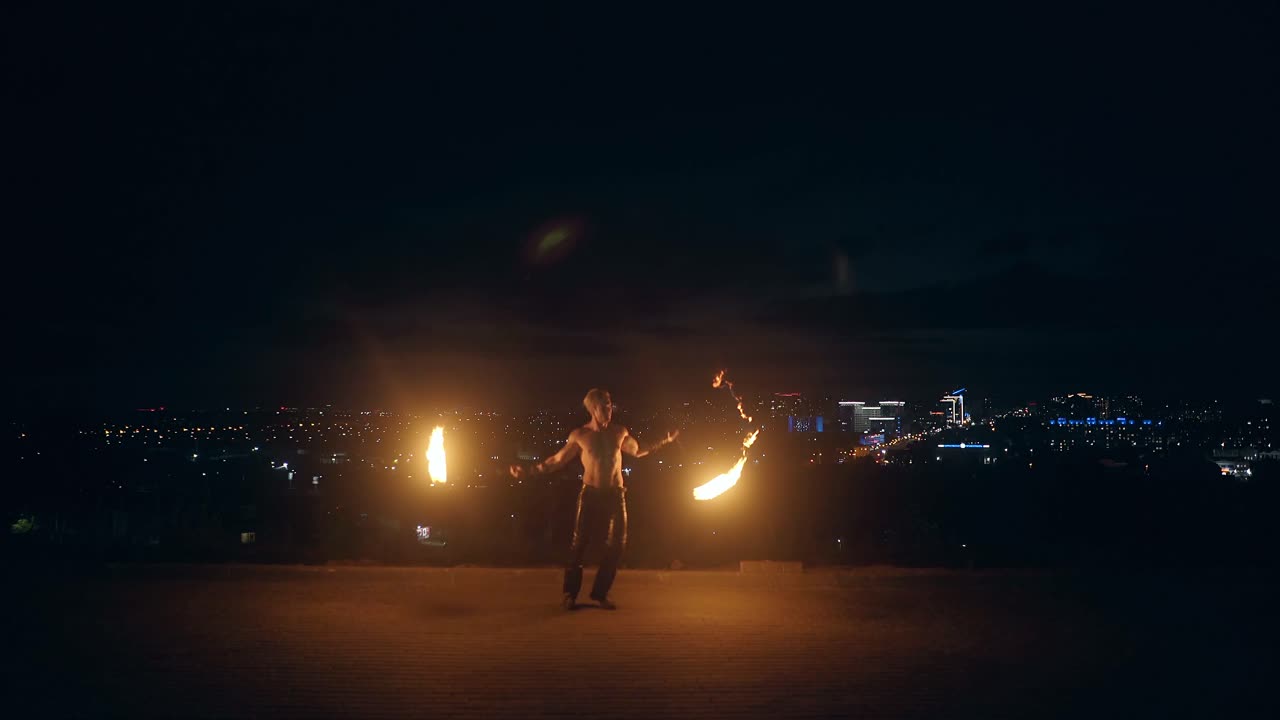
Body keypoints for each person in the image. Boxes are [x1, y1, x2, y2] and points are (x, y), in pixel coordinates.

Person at [509, 388, 678, 610]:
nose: (609, 410)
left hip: (616, 495)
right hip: (590, 494)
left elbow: (638, 450)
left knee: (617, 546)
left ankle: (600, 594)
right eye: (604, 406)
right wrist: (530, 471)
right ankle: (570, 595)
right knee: (579, 546)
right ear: (592, 409)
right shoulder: (581, 436)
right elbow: (556, 461)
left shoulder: (619, 432)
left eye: (610, 405)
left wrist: (663, 440)